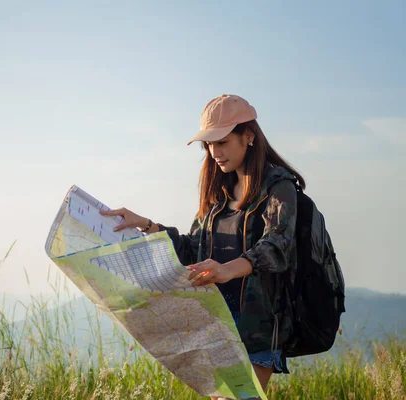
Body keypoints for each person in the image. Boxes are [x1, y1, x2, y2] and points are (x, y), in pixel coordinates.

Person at [100, 94, 303, 400]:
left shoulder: (278, 186)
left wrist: (227, 270)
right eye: (209, 144)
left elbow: (278, 244)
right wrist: (146, 225)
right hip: (216, 325)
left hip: (258, 327)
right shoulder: (218, 192)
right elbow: (193, 249)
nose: (214, 151)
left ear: (248, 136)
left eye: (221, 142)